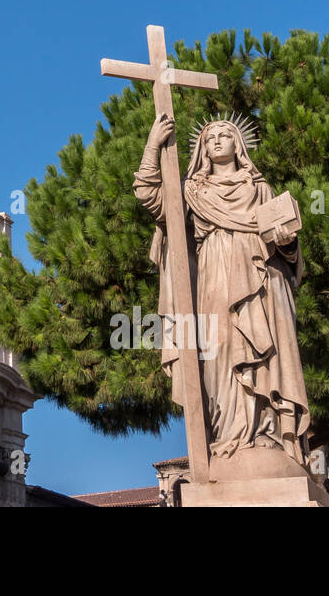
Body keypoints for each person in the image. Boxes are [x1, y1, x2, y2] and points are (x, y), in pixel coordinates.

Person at [134, 113, 309, 469]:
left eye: (225, 134)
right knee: (220, 356)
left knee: (267, 354)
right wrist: (153, 146)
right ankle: (229, 437)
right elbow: (151, 197)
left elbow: (287, 249)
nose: (216, 139)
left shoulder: (259, 188)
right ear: (201, 147)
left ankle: (267, 434)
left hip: (262, 277)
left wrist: (288, 242)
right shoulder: (192, 190)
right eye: (210, 136)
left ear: (238, 144)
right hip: (213, 274)